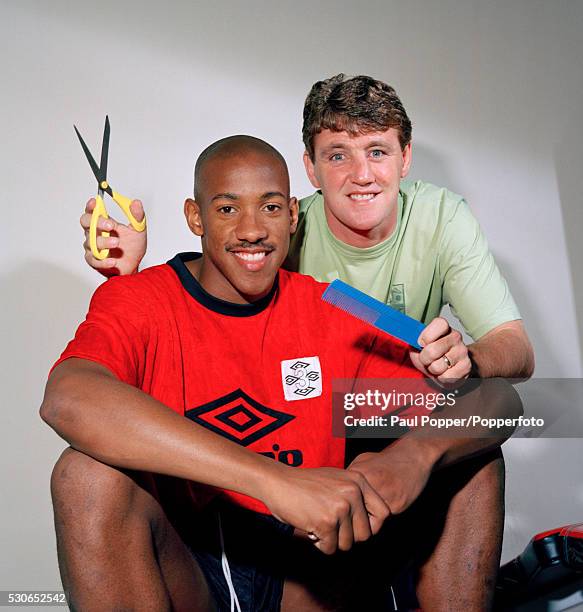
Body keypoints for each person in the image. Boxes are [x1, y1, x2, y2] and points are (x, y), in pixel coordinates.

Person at [79, 74, 534, 608]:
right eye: (228, 209)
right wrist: (275, 482)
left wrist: (413, 455)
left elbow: (502, 391)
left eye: (270, 208)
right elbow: (76, 393)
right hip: (209, 543)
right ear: (312, 173)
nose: (252, 227)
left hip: (328, 520)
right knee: (85, 473)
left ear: (291, 215)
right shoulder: (153, 293)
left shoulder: (342, 299)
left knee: (468, 454)